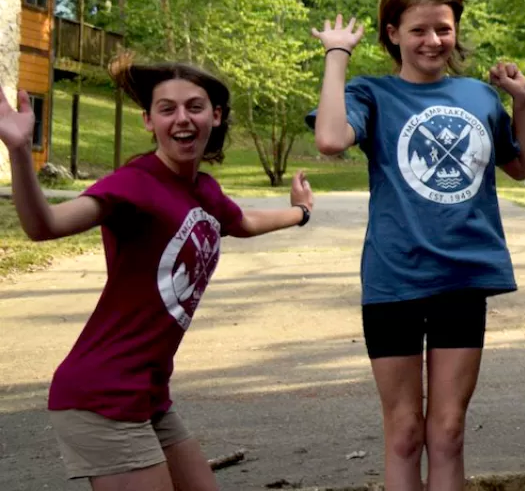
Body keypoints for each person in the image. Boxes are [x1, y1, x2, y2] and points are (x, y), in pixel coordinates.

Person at [3, 56, 313, 490]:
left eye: (194, 107)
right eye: (167, 109)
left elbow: (243, 222)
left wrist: (300, 213)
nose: (182, 118)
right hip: (102, 395)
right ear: (149, 121)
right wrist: (20, 151)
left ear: (215, 116)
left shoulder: (203, 190)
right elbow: (44, 225)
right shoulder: (134, 184)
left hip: (148, 393)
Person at [308, 0, 525, 491]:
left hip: (463, 277)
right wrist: (337, 55)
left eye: (443, 29)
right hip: (395, 280)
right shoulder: (372, 93)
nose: (433, 41)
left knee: (449, 432)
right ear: (392, 33)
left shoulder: (479, 95)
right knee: (406, 433)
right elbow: (330, 139)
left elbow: (520, 167)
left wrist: (521, 101)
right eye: (418, 30)